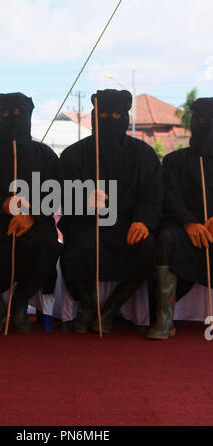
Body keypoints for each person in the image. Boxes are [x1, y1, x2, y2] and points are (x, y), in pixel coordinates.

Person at [59, 89, 163, 334]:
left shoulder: (144, 154)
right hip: (85, 222)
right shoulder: (74, 154)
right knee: (78, 245)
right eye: (103, 114)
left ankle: (109, 309)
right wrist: (84, 200)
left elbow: (154, 193)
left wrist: (143, 221)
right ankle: (88, 306)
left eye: (116, 114)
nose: (109, 120)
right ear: (94, 116)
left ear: (125, 117)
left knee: (147, 247)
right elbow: (61, 195)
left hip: (128, 223)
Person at [0, 92, 61, 334]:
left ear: (29, 116)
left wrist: (32, 215)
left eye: (19, 114)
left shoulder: (45, 155)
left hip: (34, 221)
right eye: (7, 114)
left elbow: (58, 193)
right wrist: (2, 204)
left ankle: (19, 305)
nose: (13, 119)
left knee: (46, 242)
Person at [147, 97, 213, 340]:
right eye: (204, 120)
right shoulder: (174, 161)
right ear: (194, 123)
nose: (208, 125)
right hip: (186, 230)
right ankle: (164, 318)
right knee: (166, 238)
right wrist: (190, 222)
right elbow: (169, 197)